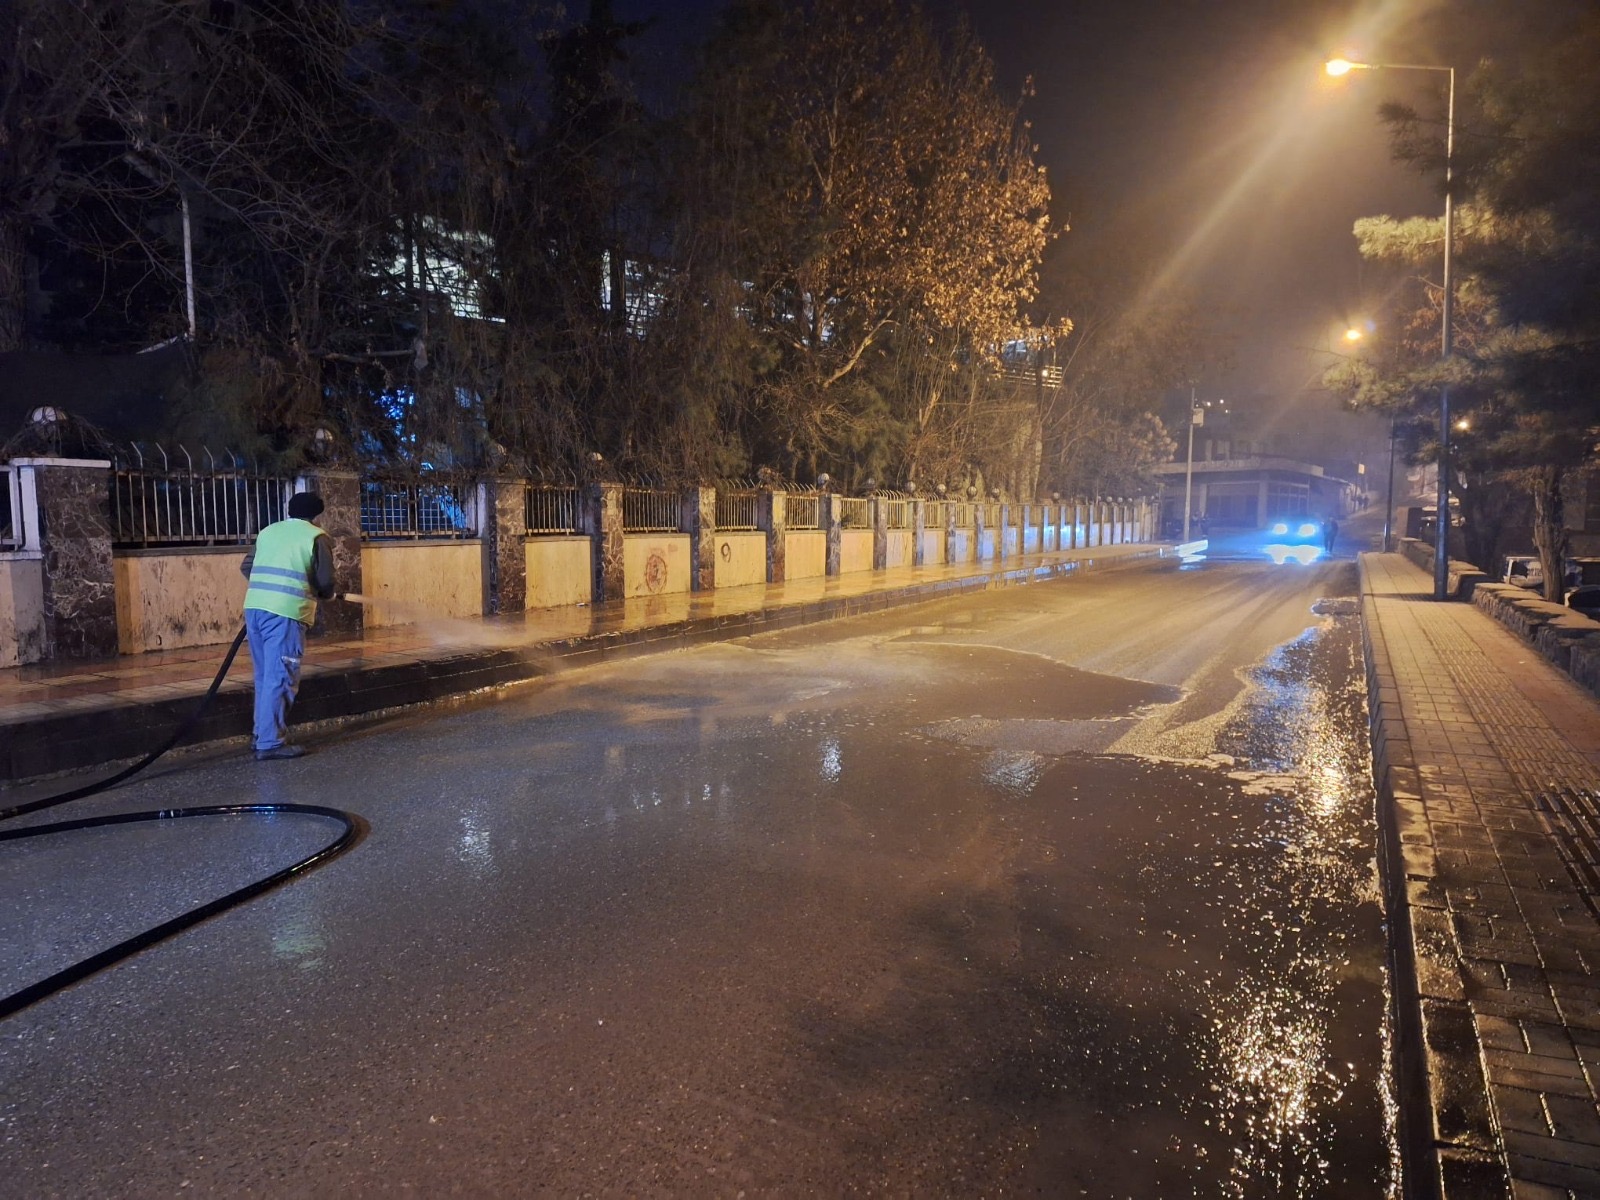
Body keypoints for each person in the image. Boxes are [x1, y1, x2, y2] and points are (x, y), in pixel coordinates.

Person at [240, 492, 336, 760]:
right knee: (281, 676)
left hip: (255, 609)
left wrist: (269, 588)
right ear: (317, 514)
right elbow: (325, 580)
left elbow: (247, 566)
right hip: (285, 613)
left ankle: (262, 734)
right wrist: (324, 593)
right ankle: (270, 743)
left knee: (264, 675)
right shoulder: (316, 537)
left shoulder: (268, 532)